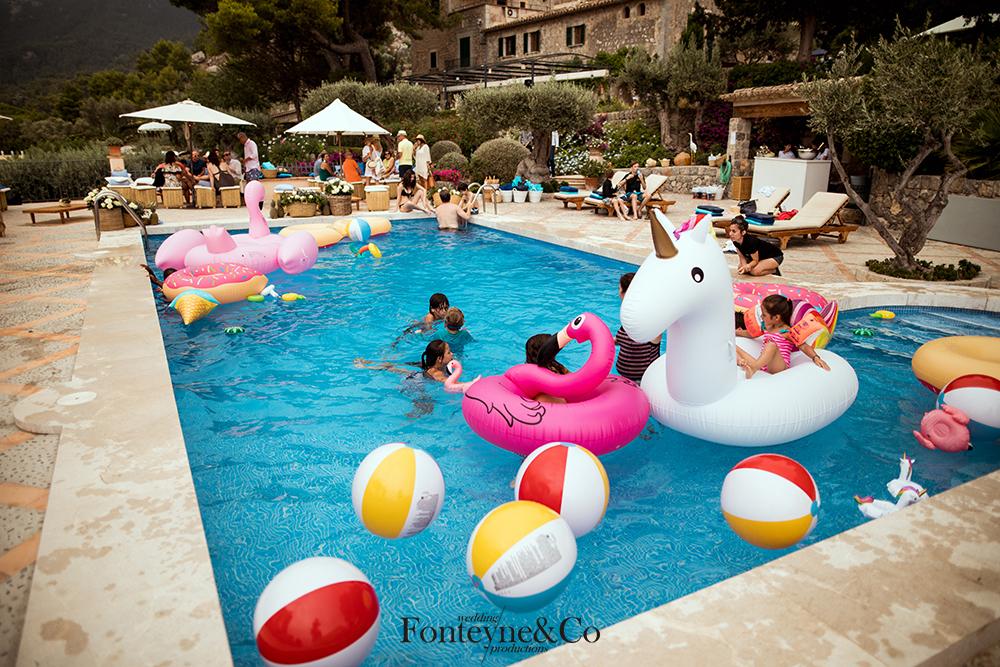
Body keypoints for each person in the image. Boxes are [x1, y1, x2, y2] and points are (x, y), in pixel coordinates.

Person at [736, 294, 830, 378]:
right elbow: (750, 334)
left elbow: (803, 346)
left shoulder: (787, 331)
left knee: (771, 344)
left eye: (764, 315)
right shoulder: (766, 327)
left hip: (779, 366)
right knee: (734, 346)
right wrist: (735, 332)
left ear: (776, 317)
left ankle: (753, 368)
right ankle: (744, 363)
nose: (761, 317)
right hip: (764, 365)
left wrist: (815, 357)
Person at [615, 272, 661, 383]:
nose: (618, 292)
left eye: (619, 288)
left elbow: (656, 337)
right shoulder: (628, 319)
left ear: (625, 293)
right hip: (623, 379)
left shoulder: (650, 321)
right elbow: (623, 341)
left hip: (643, 381)